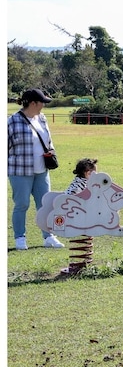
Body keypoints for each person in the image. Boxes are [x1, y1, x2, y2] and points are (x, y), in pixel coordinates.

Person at [7, 88, 63, 250]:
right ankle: (20, 238)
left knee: (45, 204)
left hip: (42, 171)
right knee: (22, 204)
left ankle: (49, 236)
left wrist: (51, 150)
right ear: (33, 103)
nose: (43, 106)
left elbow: (48, 140)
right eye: (42, 102)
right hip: (20, 171)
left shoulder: (42, 119)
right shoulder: (12, 122)